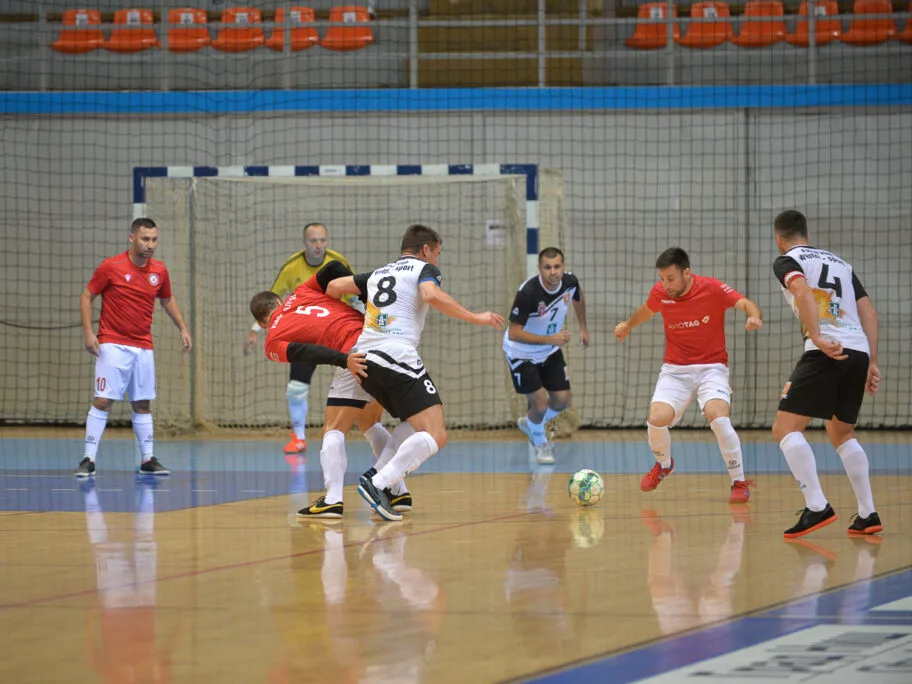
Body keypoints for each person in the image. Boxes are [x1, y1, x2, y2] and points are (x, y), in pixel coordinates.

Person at [327, 224, 505, 521]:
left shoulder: (377, 274)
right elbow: (430, 294)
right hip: (396, 355)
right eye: (437, 253)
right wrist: (477, 317)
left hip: (364, 359)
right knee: (436, 433)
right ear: (425, 250)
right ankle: (378, 482)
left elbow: (333, 287)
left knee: (417, 420)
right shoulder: (425, 269)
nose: (437, 259)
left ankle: (381, 477)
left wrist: (346, 323)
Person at [249, 261, 412, 520]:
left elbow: (307, 352)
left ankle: (333, 499)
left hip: (355, 351)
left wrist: (343, 360)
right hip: (382, 337)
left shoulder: (272, 340)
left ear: (261, 322)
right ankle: (398, 490)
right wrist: (361, 295)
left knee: (333, 428)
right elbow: (334, 266)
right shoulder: (302, 292)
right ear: (279, 301)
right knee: (370, 422)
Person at [613, 247, 762, 503]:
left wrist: (754, 317)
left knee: (718, 416)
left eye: (670, 278)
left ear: (687, 273)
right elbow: (647, 310)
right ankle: (664, 465)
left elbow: (746, 303)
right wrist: (628, 324)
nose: (665, 285)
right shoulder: (661, 293)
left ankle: (738, 481)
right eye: (662, 279)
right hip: (675, 369)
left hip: (712, 367)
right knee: (656, 419)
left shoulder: (712, 288)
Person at [770, 209, 883, 539]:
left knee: (784, 428)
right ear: (807, 234)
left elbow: (803, 292)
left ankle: (817, 506)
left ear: (779, 239)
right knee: (842, 433)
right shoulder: (841, 264)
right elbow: (869, 313)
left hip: (826, 348)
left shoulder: (788, 260)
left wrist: (817, 336)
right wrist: (871, 362)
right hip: (858, 350)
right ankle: (868, 514)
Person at [75, 218, 191, 478]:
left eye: (154, 240)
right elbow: (87, 296)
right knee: (102, 400)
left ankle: (147, 459)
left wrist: (183, 328)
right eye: (145, 239)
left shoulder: (159, 270)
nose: (150, 245)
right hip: (112, 344)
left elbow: (167, 299)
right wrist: (88, 333)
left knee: (142, 403)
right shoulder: (111, 266)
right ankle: (88, 459)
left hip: (143, 346)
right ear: (132, 238)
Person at [244, 222, 355, 456]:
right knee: (296, 388)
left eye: (322, 240)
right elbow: (269, 301)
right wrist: (255, 331)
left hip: (338, 330)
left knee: (356, 381)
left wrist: (364, 312)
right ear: (305, 243)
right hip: (303, 334)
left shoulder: (337, 262)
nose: (318, 245)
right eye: (313, 241)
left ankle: (360, 428)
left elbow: (355, 288)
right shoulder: (291, 267)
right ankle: (299, 437)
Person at [503, 247, 589, 465]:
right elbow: (514, 332)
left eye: (557, 267)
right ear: (539, 268)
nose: (553, 272)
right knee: (540, 406)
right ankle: (540, 441)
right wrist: (551, 339)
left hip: (549, 349)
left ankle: (531, 424)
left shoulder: (570, 282)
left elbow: (578, 296)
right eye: (547, 267)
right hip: (521, 353)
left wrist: (583, 327)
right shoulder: (528, 293)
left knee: (563, 401)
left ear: (563, 267)